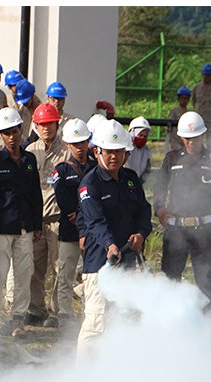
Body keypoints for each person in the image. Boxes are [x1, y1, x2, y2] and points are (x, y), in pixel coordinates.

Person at [75, 122, 153, 363]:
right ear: (97, 151)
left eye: (118, 151)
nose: (114, 156)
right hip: (100, 263)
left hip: (129, 261)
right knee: (96, 323)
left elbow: (144, 211)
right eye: (108, 151)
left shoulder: (131, 178)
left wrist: (141, 233)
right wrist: (110, 244)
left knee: (128, 317)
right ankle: (82, 375)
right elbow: (95, 222)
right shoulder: (89, 184)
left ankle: (119, 370)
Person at [154, 112, 211, 305]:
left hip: (203, 228)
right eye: (187, 138)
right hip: (176, 228)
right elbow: (159, 187)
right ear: (181, 137)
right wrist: (160, 209)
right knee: (170, 279)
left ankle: (207, 322)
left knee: (206, 282)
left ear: (202, 136)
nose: (191, 142)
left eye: (194, 137)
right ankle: (167, 322)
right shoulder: (172, 158)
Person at [0, 107, 44, 335]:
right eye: (7, 132)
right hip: (2, 228)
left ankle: (18, 317)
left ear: (21, 130)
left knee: (23, 273)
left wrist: (37, 224)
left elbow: (35, 194)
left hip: (25, 227)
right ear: (0, 134)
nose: (12, 136)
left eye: (15, 131)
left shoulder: (29, 159)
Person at [25, 103, 72, 325]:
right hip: (35, 220)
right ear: (35, 125)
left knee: (58, 266)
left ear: (57, 124)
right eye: (42, 124)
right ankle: (35, 309)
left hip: (57, 219)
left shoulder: (66, 152)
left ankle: (56, 312)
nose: (46, 128)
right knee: (34, 267)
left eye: (50, 124)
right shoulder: (29, 151)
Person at [48, 119, 95, 327]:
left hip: (92, 230)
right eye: (75, 143)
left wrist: (84, 214)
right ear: (67, 144)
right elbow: (62, 197)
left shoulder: (95, 167)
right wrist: (77, 212)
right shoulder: (62, 170)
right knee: (66, 272)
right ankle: (64, 313)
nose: (79, 147)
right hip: (69, 229)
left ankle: (90, 311)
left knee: (91, 273)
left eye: (83, 142)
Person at [165, 86, 192, 153]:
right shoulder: (174, 111)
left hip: (186, 141)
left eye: (186, 98)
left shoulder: (190, 112)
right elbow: (169, 127)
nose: (184, 100)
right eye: (182, 98)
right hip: (175, 141)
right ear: (179, 99)